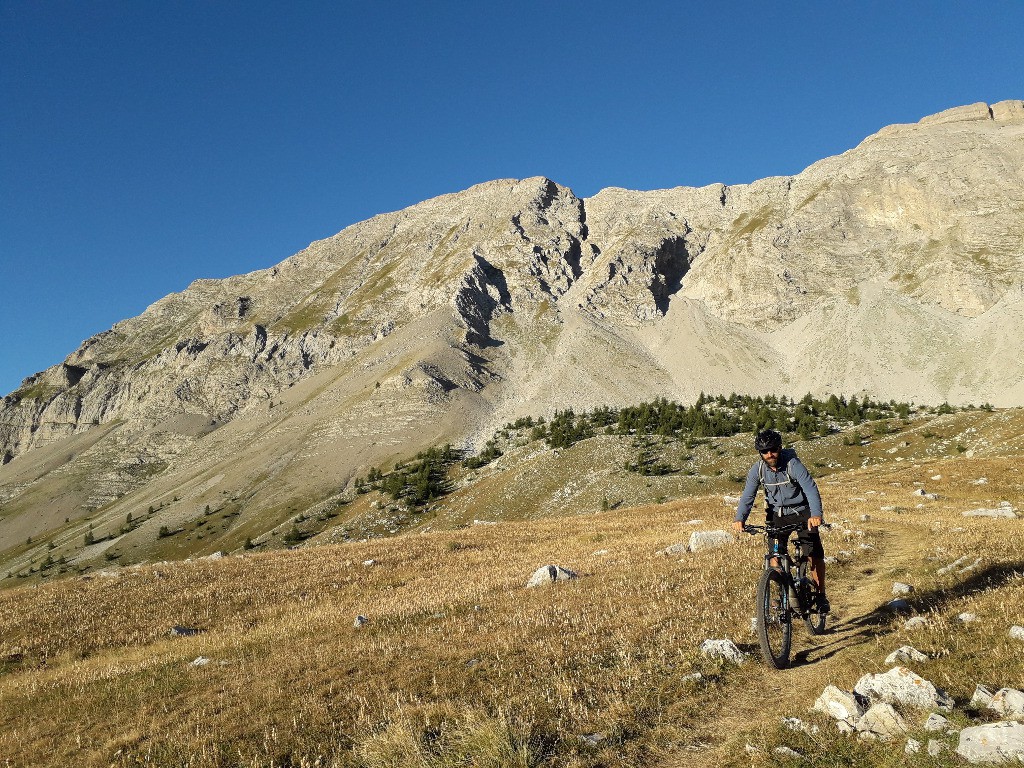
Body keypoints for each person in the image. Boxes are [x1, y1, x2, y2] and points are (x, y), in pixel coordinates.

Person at [732, 428, 830, 613]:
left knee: (813, 554)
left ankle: (820, 595)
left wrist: (816, 515)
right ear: (760, 453)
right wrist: (740, 518)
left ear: (780, 447)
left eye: (773, 449)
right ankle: (783, 595)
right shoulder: (758, 470)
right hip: (777, 515)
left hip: (802, 511)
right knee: (775, 558)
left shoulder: (793, 464)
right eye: (765, 451)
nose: (770, 454)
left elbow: (810, 488)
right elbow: (748, 496)